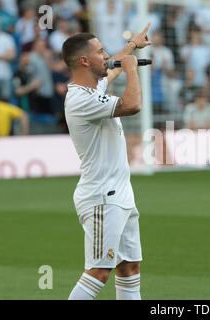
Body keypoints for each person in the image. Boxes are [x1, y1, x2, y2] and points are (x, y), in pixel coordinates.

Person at [62, 23, 151, 300]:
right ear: (85, 61)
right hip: (102, 195)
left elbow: (110, 69)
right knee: (99, 271)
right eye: (101, 51)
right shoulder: (80, 99)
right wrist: (132, 69)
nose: (107, 54)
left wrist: (133, 46)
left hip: (120, 192)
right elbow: (132, 105)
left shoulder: (92, 87)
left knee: (129, 267)